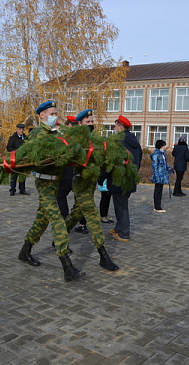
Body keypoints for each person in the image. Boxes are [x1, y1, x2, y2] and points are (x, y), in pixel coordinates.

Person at [18, 101, 84, 282]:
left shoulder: (57, 133)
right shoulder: (37, 134)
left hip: (56, 183)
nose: (55, 116)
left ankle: (25, 251)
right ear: (42, 116)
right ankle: (67, 267)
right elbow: (36, 157)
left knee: (42, 219)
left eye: (56, 113)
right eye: (52, 113)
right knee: (57, 220)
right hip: (45, 184)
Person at [63, 109, 119, 271]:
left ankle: (59, 236)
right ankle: (103, 256)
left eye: (92, 122)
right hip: (80, 182)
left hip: (91, 182)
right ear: (79, 123)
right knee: (93, 217)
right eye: (88, 122)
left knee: (76, 213)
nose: (91, 125)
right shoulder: (74, 140)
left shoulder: (95, 139)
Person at [99, 115, 142, 242]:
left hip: (119, 179)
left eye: (115, 126)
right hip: (129, 179)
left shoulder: (118, 142)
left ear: (120, 127)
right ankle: (119, 228)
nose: (114, 128)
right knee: (120, 204)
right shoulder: (134, 142)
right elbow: (137, 162)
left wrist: (101, 177)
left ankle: (124, 233)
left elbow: (110, 162)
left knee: (121, 206)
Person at [56, 115, 87, 234]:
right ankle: (82, 224)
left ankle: (64, 221)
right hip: (80, 174)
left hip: (68, 173)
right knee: (79, 200)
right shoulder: (82, 138)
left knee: (60, 196)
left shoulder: (66, 138)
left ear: (69, 125)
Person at [6, 123, 29, 196]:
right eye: (20, 129)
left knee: (22, 175)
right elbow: (9, 148)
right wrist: (16, 152)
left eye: (22, 129)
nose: (21, 130)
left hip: (23, 159)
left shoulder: (26, 138)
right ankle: (12, 190)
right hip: (15, 159)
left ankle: (22, 190)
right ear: (17, 129)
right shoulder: (12, 138)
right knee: (14, 175)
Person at [150, 140, 170, 213]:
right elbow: (155, 166)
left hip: (163, 174)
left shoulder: (163, 154)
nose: (164, 147)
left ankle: (159, 205)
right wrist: (156, 175)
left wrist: (168, 168)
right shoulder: (156, 155)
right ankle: (157, 206)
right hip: (158, 175)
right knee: (157, 190)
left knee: (160, 190)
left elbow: (163, 164)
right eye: (164, 146)